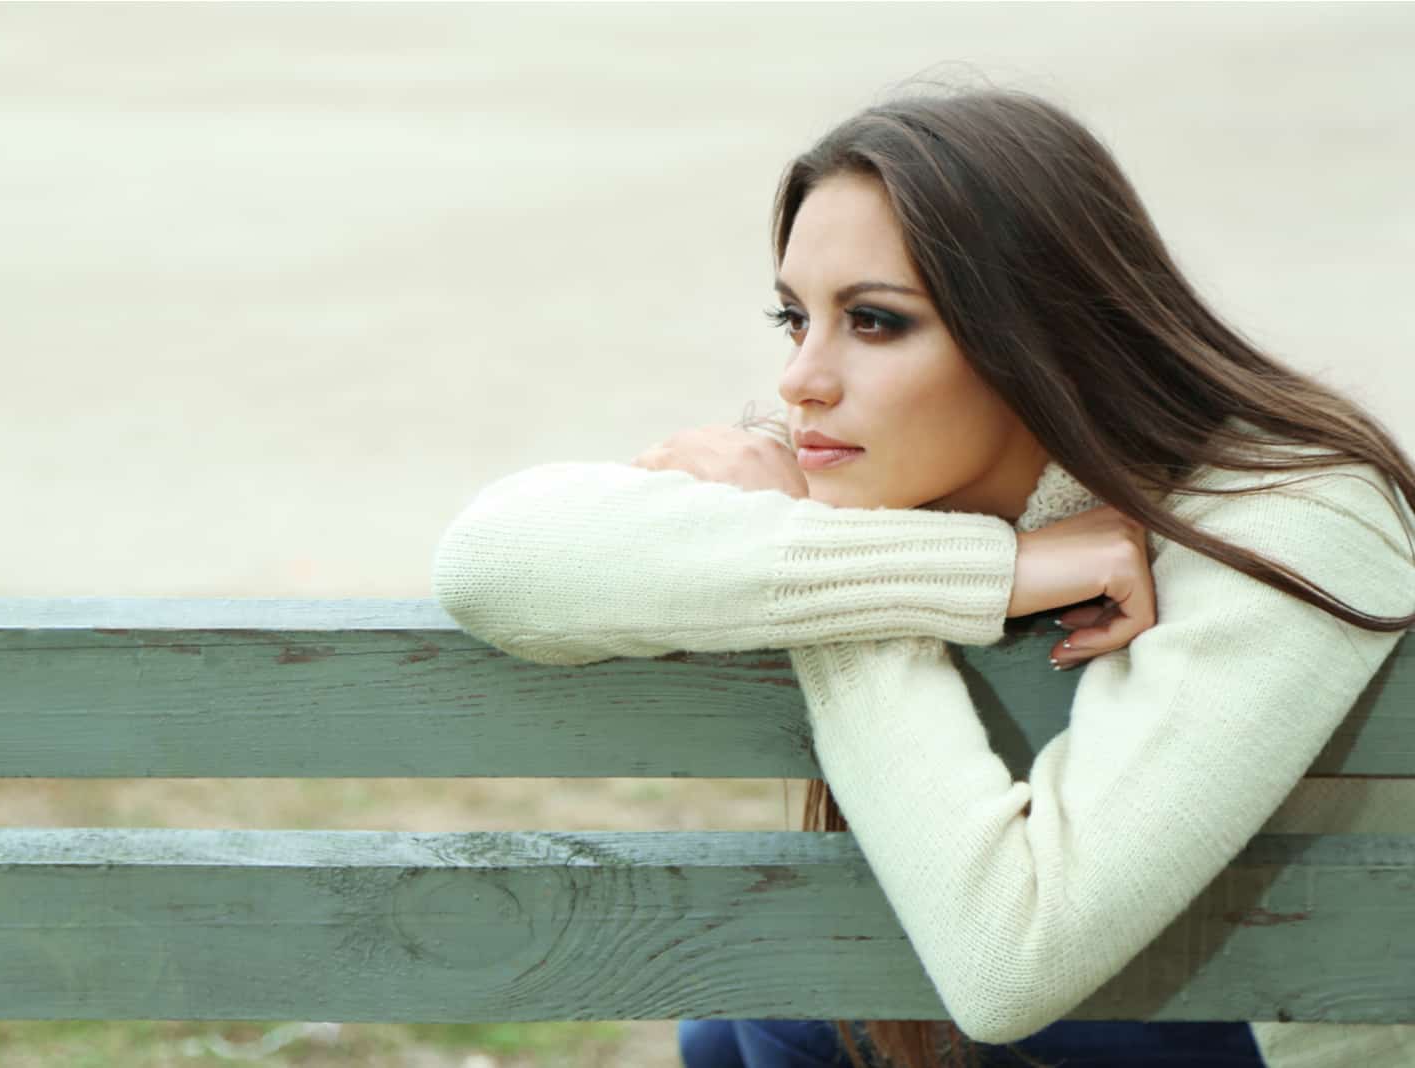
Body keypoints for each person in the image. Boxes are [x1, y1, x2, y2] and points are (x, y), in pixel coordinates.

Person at [430, 81, 1415, 1068]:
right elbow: (492, 560)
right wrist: (990, 567)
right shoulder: (898, 478)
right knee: (754, 1018)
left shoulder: (1295, 512)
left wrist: (840, 600)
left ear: (1035, 330)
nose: (800, 379)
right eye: (793, 318)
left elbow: (1011, 965)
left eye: (873, 322)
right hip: (1087, 1000)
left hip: (1267, 1025)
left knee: (791, 1001)